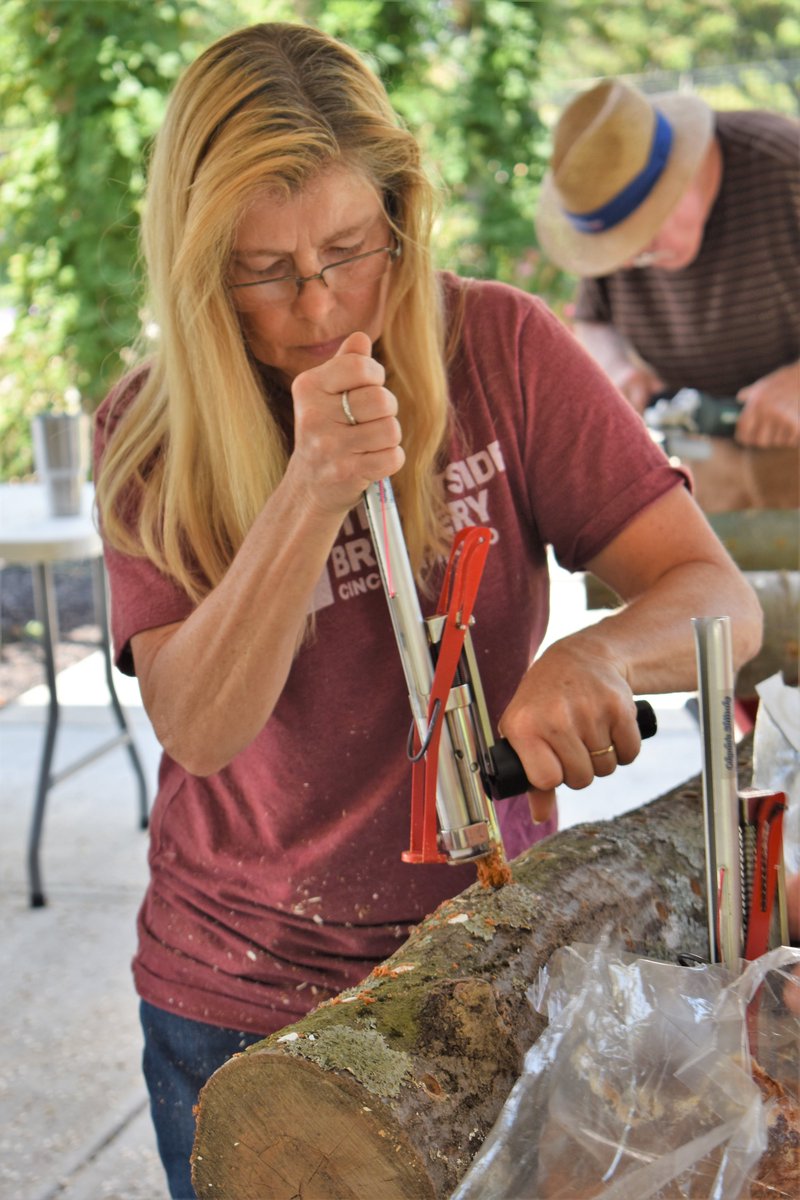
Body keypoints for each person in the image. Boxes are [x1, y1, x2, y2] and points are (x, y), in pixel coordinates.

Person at [93, 23, 762, 1199]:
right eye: (262, 268)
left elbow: (716, 599)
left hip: (485, 962)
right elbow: (198, 727)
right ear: (196, 262)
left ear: (399, 215)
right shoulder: (150, 430)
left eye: (348, 250)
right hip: (243, 993)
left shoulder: (499, 347)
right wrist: (310, 491)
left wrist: (601, 655)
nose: (316, 303)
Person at [535, 78, 800, 448]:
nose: (628, 261)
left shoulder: (784, 163)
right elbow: (593, 318)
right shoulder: (606, 191)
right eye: (616, 247)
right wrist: (616, 370)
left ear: (684, 170)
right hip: (708, 450)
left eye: (642, 236)